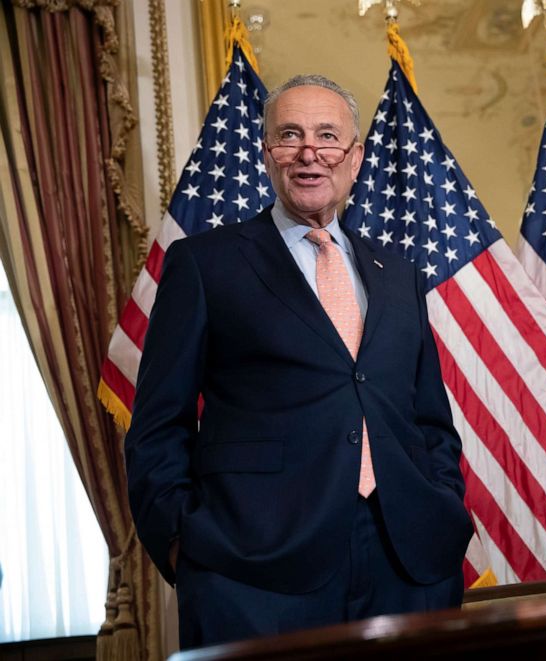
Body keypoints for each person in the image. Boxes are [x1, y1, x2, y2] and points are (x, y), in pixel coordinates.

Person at [125, 74, 472, 647]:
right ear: (267, 155)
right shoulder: (204, 264)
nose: (310, 153)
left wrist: (442, 504)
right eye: (289, 136)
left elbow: (430, 418)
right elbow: (159, 424)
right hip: (254, 566)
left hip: (406, 558)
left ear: (355, 158)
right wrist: (184, 542)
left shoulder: (399, 275)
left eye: (328, 137)